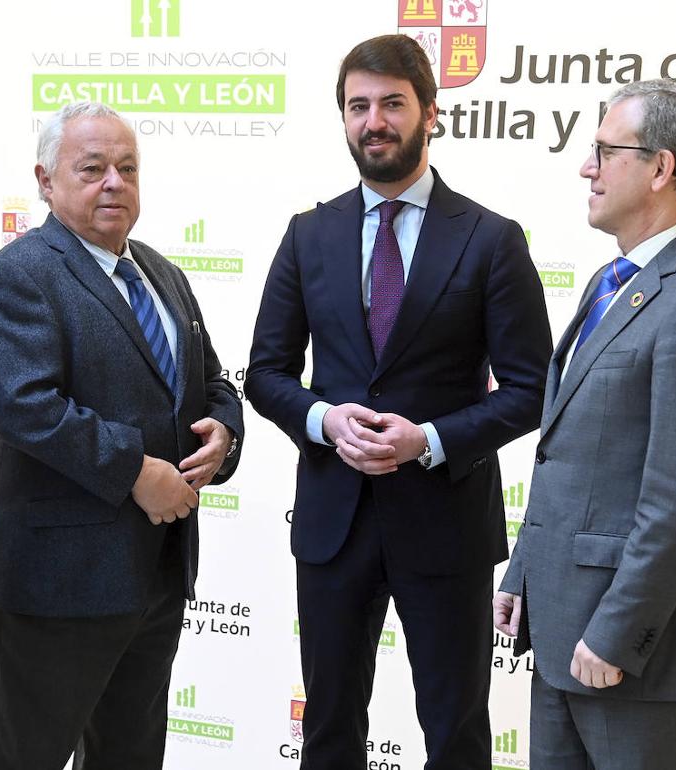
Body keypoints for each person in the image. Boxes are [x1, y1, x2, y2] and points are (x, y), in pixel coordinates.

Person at [245, 34, 552, 770]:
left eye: (391, 103)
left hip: (444, 522)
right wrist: (323, 419)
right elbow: (265, 373)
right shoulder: (307, 235)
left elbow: (532, 389)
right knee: (328, 731)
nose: (373, 121)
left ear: (430, 113)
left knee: (455, 733)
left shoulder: (490, 239)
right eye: (358, 106)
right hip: (332, 525)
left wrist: (431, 439)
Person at [0, 100, 244, 770]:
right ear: (46, 180)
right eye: (91, 168)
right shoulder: (18, 274)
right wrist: (136, 472)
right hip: (57, 580)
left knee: (131, 754)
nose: (114, 181)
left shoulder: (161, 273)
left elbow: (212, 382)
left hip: (156, 574)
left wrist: (225, 430)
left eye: (127, 167)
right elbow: (26, 407)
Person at [493, 79, 676, 769]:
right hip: (559, 637)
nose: (587, 167)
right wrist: (525, 573)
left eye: (605, 151)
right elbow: (569, 455)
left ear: (661, 168)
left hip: (631, 658)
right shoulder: (609, 283)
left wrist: (618, 632)